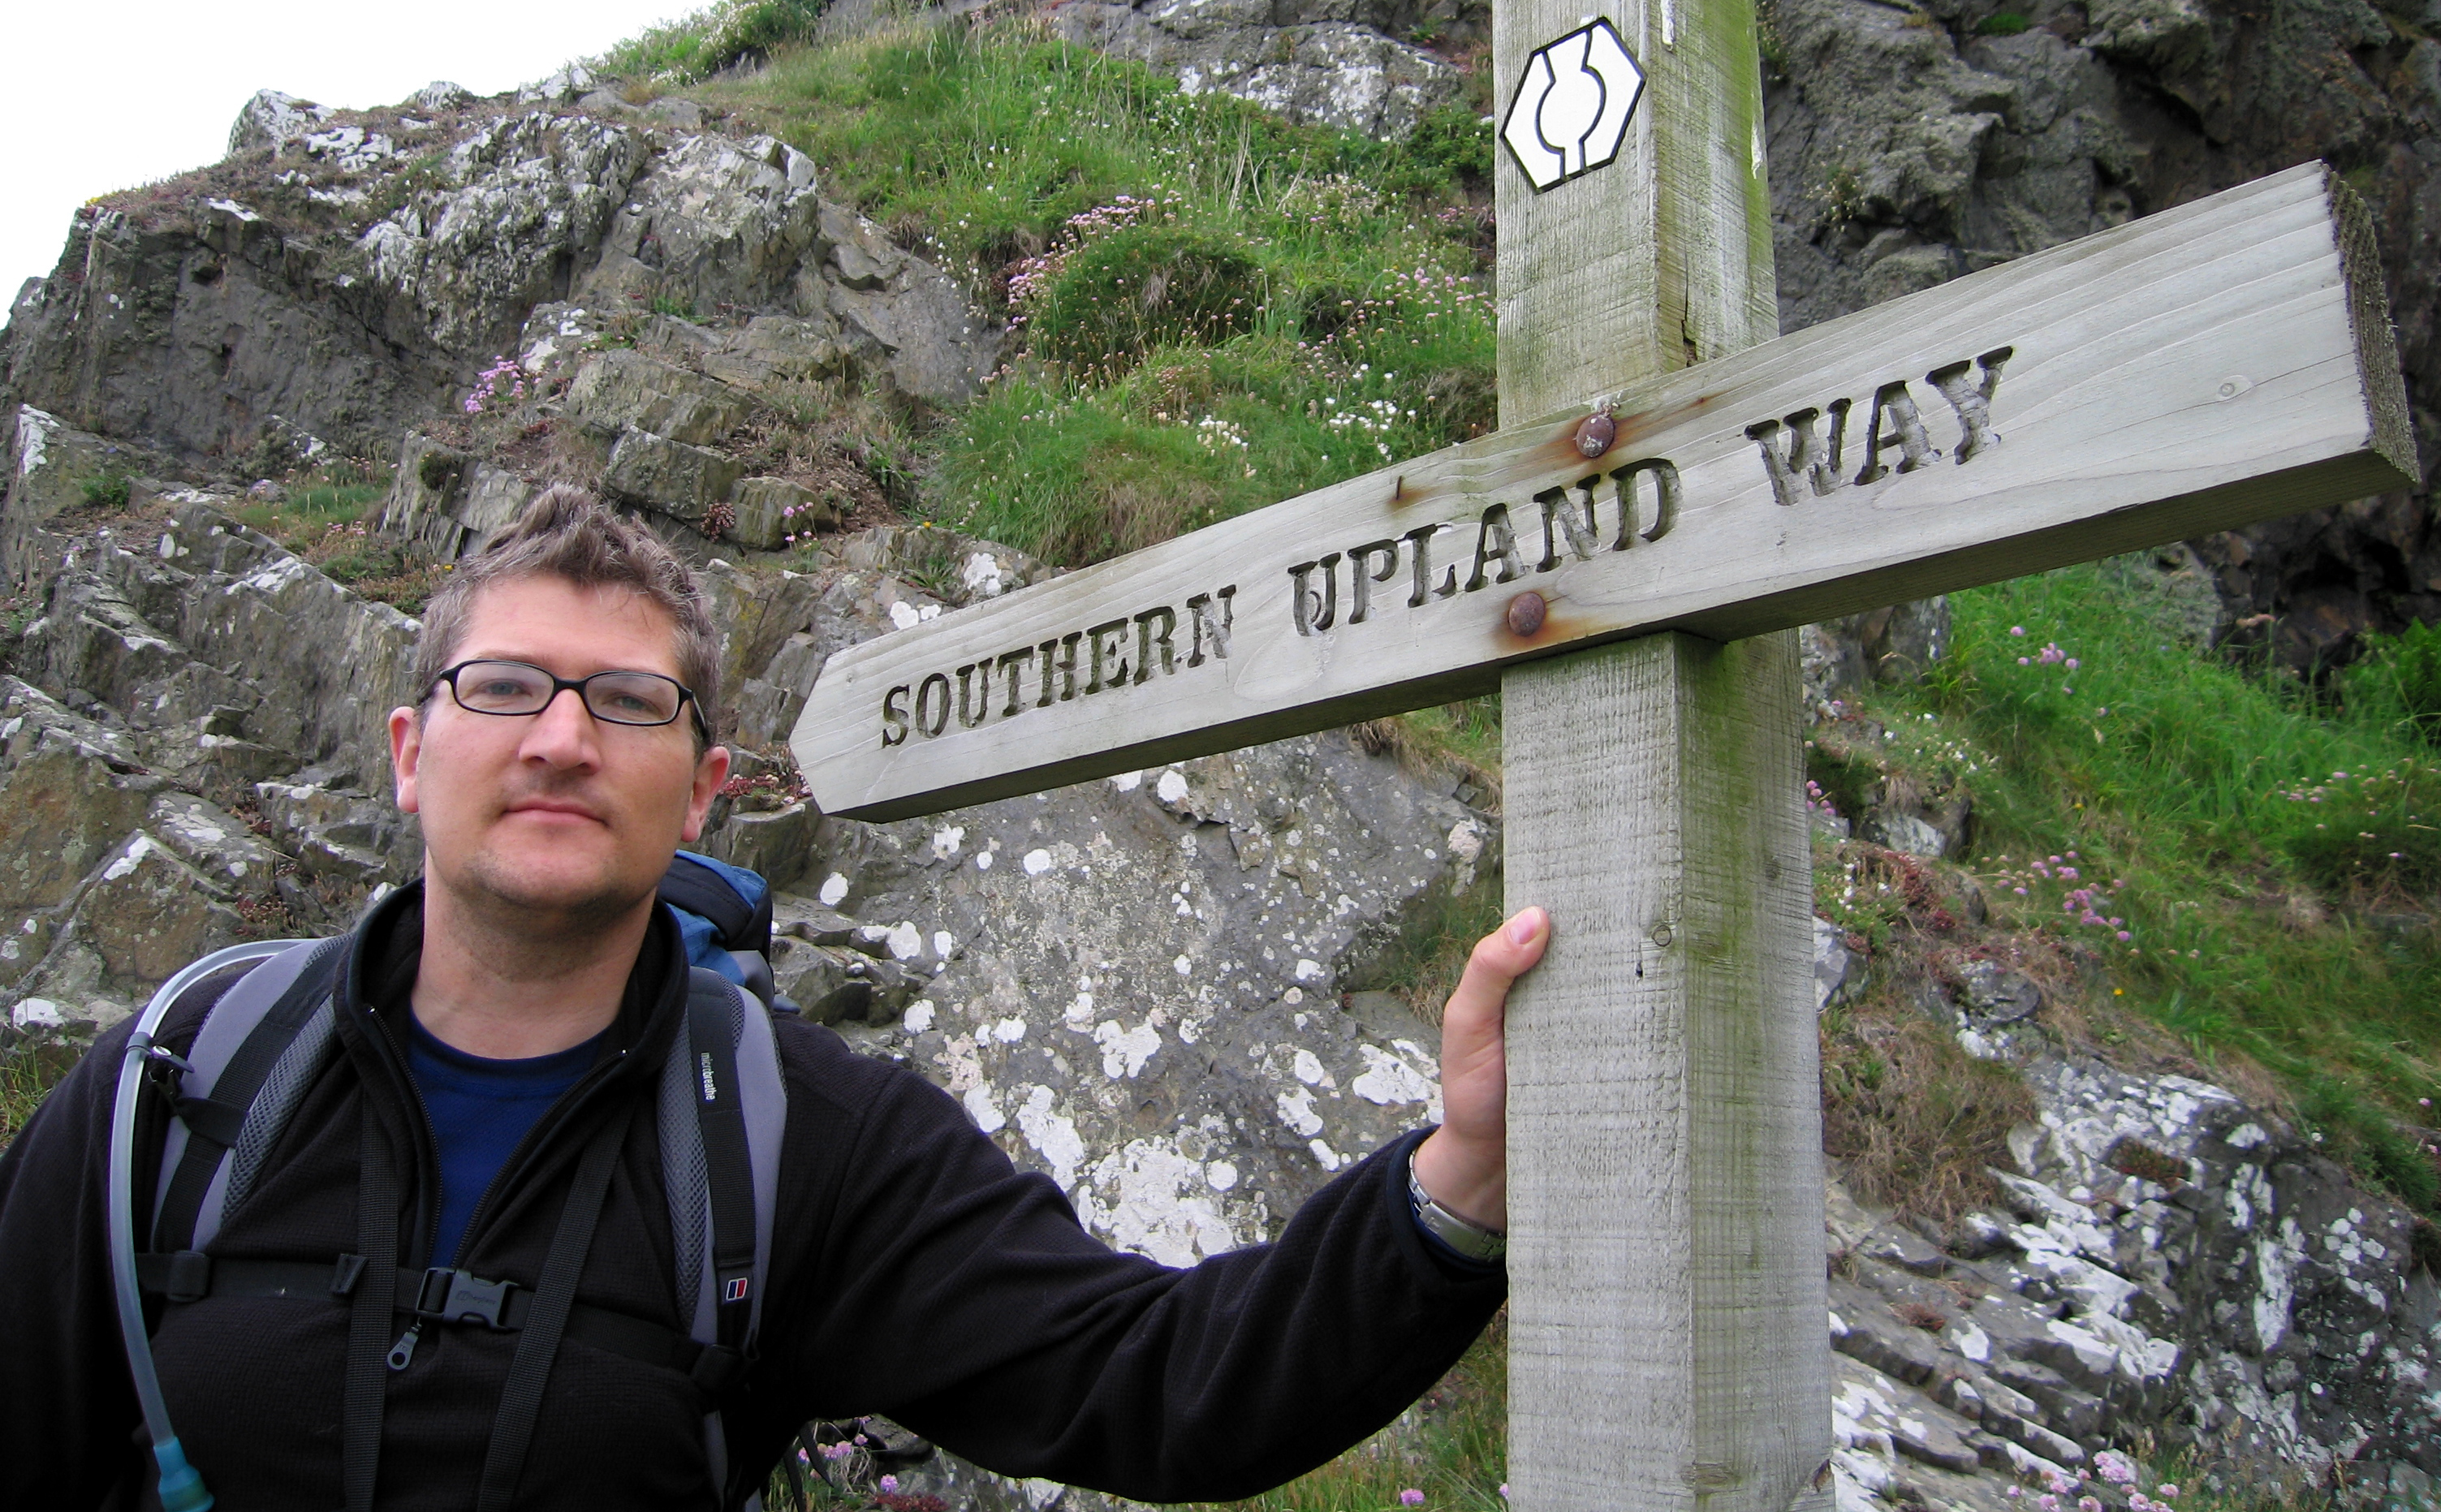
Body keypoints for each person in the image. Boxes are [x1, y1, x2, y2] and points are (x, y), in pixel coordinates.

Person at [0, 485, 1550, 1507]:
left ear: (704, 792)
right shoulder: (179, 1084)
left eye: (628, 704)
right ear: (412, 753)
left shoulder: (797, 1139)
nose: (559, 740)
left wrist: (1455, 1186)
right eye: (503, 688)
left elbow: (1158, 1386)